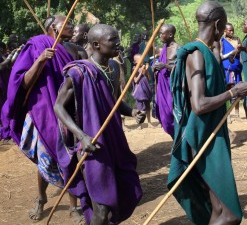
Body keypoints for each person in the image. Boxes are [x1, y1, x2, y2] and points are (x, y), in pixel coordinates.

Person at [169, 1, 247, 224]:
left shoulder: (206, 52)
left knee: (218, 209)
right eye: (224, 26)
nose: (225, 31)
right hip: (204, 138)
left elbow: (209, 91)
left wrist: (231, 91)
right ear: (217, 24)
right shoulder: (196, 54)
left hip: (213, 133)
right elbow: (199, 104)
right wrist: (233, 92)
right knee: (231, 215)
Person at [54, 24, 145, 224]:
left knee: (119, 199)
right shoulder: (78, 72)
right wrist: (82, 136)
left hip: (113, 142)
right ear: (96, 44)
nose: (118, 43)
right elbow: (58, 107)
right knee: (102, 209)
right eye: (113, 40)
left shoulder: (111, 68)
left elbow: (112, 102)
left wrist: (132, 111)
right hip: (92, 146)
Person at [0, 15, 83, 222]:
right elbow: (22, 83)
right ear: (53, 28)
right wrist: (40, 60)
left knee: (71, 158)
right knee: (46, 158)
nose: (72, 27)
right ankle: (41, 199)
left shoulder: (72, 49)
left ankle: (74, 206)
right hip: (43, 112)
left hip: (67, 110)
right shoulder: (35, 46)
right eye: (67, 24)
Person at [154, 24, 180, 137]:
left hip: (173, 86)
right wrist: (155, 68)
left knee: (171, 114)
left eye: (161, 33)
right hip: (162, 87)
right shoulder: (164, 48)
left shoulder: (178, 49)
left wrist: (165, 66)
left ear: (170, 34)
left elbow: (182, 68)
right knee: (164, 116)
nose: (159, 36)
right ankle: (175, 140)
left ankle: (180, 141)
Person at [220, 23, 243, 118]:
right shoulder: (221, 41)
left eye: (232, 30)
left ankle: (237, 113)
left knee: (237, 90)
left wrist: (238, 50)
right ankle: (228, 114)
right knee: (227, 90)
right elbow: (221, 56)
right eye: (229, 30)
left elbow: (240, 52)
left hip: (236, 68)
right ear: (225, 31)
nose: (231, 32)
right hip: (227, 69)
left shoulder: (237, 39)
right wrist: (231, 53)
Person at [132, 53, 153, 128]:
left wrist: (146, 71)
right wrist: (141, 73)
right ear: (135, 62)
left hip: (146, 89)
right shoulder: (134, 69)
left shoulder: (144, 68)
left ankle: (149, 122)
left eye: (142, 59)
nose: (142, 61)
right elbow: (135, 81)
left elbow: (149, 78)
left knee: (147, 106)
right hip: (139, 91)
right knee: (140, 107)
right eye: (140, 60)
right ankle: (139, 124)